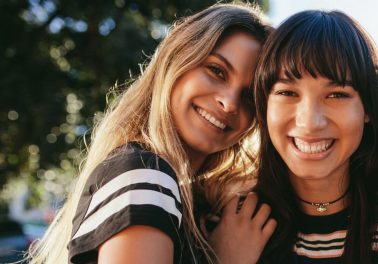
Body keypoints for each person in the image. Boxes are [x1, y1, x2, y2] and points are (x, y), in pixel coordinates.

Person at [28, 4, 275, 264]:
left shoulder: (186, 197)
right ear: (177, 61)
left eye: (249, 96)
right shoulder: (146, 175)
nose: (230, 103)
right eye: (217, 71)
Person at [250, 10, 378, 263]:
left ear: (368, 109)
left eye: (336, 94)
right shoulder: (230, 225)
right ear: (264, 104)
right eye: (287, 93)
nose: (310, 122)